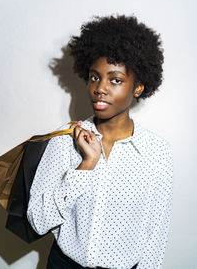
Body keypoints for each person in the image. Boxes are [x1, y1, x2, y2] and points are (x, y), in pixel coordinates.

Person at [27, 15, 173, 269]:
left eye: (115, 80)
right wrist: (86, 166)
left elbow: (155, 239)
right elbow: (37, 221)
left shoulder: (157, 153)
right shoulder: (64, 140)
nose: (100, 88)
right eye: (95, 77)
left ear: (137, 87)